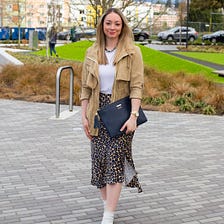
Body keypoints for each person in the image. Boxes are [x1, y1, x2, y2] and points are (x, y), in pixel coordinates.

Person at [80, 8, 144, 224]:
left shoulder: (132, 52)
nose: (113, 27)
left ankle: (108, 216)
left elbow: (137, 86)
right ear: (102, 26)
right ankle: (108, 206)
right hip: (96, 112)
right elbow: (85, 89)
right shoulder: (91, 52)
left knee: (115, 161)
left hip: (121, 114)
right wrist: (84, 117)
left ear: (123, 26)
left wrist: (133, 116)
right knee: (99, 163)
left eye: (117, 23)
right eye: (109, 23)